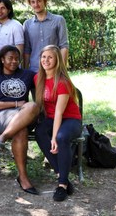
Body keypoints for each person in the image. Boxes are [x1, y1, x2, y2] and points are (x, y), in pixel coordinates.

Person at [0, 45, 40, 194]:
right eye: (10, 58)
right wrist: (15, 103)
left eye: (17, 58)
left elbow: (44, 83)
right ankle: (23, 177)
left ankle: (3, 137)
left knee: (33, 106)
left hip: (24, 115)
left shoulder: (27, 75)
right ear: (2, 59)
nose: (14, 61)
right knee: (21, 131)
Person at [34, 45, 82, 202]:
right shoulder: (38, 78)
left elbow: (60, 113)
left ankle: (61, 185)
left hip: (71, 119)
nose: (46, 60)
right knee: (40, 132)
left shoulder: (62, 81)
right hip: (51, 118)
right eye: (43, 57)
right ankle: (64, 177)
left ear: (57, 60)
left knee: (61, 138)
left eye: (50, 57)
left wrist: (54, 137)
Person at [23, 0, 69, 73]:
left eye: (39, 1)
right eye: (33, 2)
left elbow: (64, 46)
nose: (36, 4)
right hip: (34, 71)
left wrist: (62, 70)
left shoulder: (58, 20)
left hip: (54, 70)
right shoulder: (27, 24)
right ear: (30, 4)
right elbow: (27, 50)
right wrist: (25, 71)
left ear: (45, 1)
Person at [0, 0, 24, 77]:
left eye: (3, 8)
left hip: (10, 71)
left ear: (9, 10)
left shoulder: (16, 26)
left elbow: (20, 51)